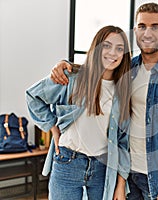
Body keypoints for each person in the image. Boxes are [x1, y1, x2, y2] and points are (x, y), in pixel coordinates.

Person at [51, 3, 158, 200]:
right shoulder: (126, 68)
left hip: (157, 179)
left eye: (155, 27)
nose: (147, 33)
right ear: (135, 31)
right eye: (142, 26)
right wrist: (65, 66)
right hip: (126, 175)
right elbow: (96, 68)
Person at [26, 25, 131, 200]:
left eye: (119, 48)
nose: (113, 53)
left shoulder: (123, 91)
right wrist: (53, 128)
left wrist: (121, 185)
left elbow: (123, 142)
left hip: (103, 169)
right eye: (107, 45)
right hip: (68, 162)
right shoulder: (74, 77)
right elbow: (33, 96)